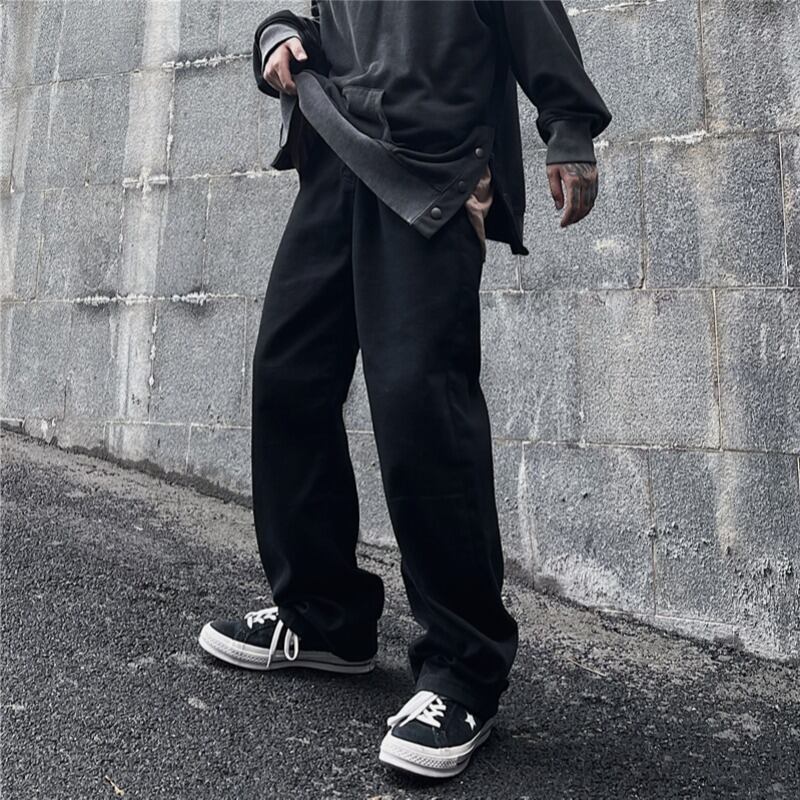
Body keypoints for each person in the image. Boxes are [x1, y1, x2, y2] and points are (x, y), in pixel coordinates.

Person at [199, 0, 611, 779]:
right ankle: (324, 617)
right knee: (288, 379)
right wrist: (279, 36)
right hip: (338, 158)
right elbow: (322, 25)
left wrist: (569, 128)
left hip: (435, 169)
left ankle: (464, 671)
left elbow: (532, 17)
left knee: (421, 408)